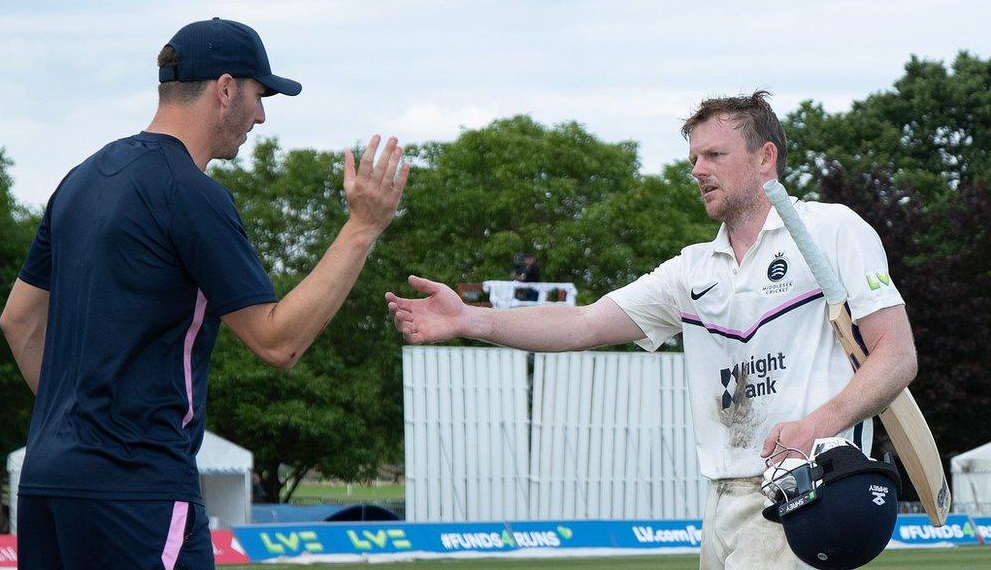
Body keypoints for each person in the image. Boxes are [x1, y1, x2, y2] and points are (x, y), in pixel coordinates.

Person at [385, 91, 916, 569]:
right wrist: (470, 319)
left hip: (805, 492)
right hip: (722, 497)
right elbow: (582, 323)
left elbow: (895, 356)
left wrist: (817, 423)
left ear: (765, 158)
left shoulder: (832, 229)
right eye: (692, 159)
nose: (698, 170)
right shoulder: (691, 269)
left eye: (714, 155)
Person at [0, 18, 409, 570]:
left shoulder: (80, 179)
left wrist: (83, 425)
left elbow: (19, 321)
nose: (262, 115)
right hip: (137, 490)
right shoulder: (190, 192)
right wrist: (362, 227)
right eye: (259, 94)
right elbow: (277, 341)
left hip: (48, 482)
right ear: (224, 88)